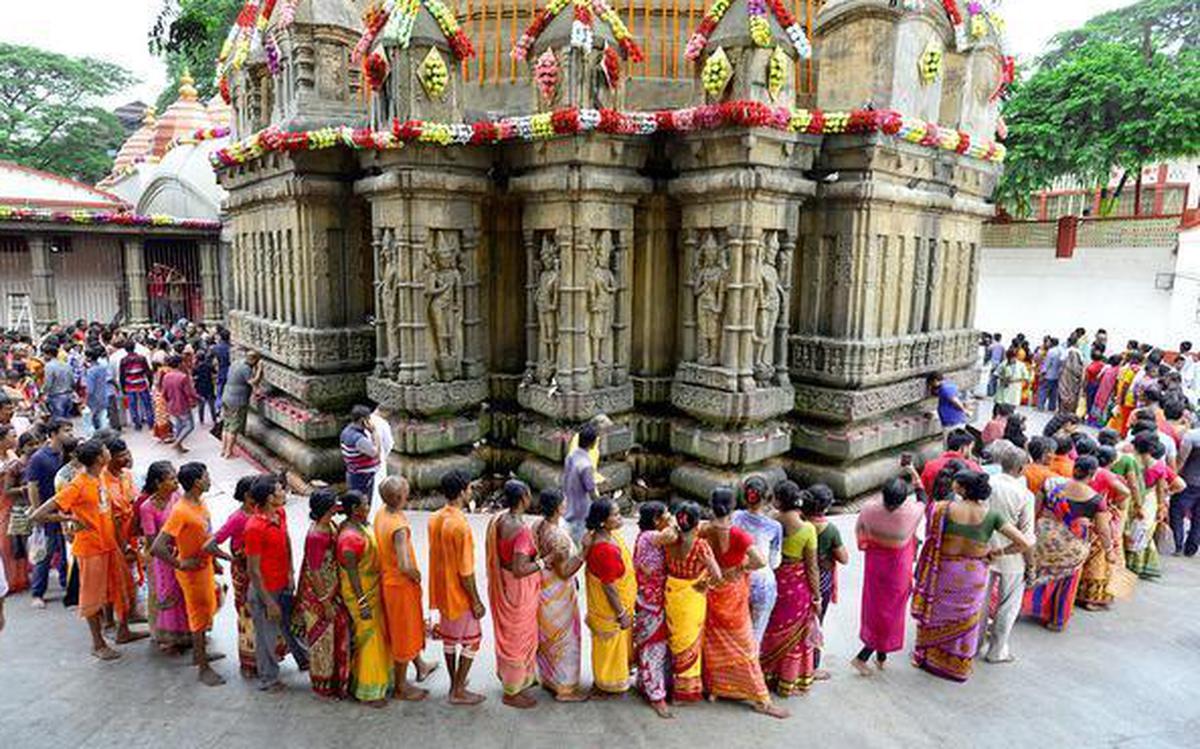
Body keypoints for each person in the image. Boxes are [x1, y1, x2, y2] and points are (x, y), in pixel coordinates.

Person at [30, 440, 149, 659]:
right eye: (106, 452)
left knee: (121, 588)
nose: (109, 454)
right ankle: (98, 644)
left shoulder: (100, 477)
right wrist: (69, 518)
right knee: (92, 598)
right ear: (99, 458)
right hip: (90, 549)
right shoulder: (78, 485)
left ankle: (123, 632)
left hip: (109, 544)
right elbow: (37, 514)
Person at [911, 470, 1030, 682]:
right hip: (973, 574)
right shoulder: (992, 515)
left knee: (938, 613)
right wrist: (997, 553)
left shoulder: (940, 509)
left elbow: (930, 538)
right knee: (966, 618)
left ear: (962, 488)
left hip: (944, 571)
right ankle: (956, 666)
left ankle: (929, 658)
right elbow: (1023, 542)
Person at [701, 488, 787, 718]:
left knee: (714, 642)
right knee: (745, 645)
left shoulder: (704, 530)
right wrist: (739, 569)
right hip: (734, 593)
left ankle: (715, 688)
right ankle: (760, 698)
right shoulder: (739, 535)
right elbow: (760, 561)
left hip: (712, 591)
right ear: (733, 507)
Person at [152, 462, 229, 686]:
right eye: (206, 476)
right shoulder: (181, 511)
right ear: (196, 482)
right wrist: (180, 564)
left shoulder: (200, 502)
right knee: (197, 616)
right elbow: (157, 546)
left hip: (204, 566)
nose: (209, 479)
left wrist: (214, 560)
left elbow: (206, 534)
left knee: (206, 612)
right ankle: (203, 668)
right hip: (192, 573)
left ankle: (200, 653)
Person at [1022, 458, 1114, 630]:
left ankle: (1029, 607)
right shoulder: (1095, 499)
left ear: (1074, 469)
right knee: (1066, 581)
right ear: (1092, 474)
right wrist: (1109, 550)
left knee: (1037, 572)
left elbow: (1035, 510)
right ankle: (1056, 620)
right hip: (1072, 544)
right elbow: (1103, 530)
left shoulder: (1050, 484)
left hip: (1044, 537)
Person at [852, 469, 925, 675]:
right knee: (892, 611)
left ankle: (881, 654)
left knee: (876, 608)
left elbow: (860, 531)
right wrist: (913, 474)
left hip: (875, 562)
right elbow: (923, 497)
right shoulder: (910, 513)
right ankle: (863, 656)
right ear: (903, 499)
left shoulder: (868, 509)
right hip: (898, 566)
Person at [375, 476, 438, 701]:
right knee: (404, 634)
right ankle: (401, 687)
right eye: (405, 492)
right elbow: (403, 564)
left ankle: (420, 665)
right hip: (400, 586)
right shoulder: (398, 527)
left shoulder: (383, 513)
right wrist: (416, 575)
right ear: (398, 497)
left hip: (388, 581)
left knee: (409, 629)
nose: (408, 494)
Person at [245, 475, 309, 691]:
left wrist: (290, 571)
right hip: (266, 590)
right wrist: (269, 602)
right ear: (270, 497)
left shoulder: (280, 514)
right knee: (267, 637)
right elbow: (253, 569)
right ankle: (268, 678)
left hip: (282, 582)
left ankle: (304, 659)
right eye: (280, 489)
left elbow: (286, 541)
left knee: (289, 626)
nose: (284, 492)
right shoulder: (254, 527)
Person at [429, 470, 487, 706]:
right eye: (470, 488)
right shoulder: (460, 526)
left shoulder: (435, 518)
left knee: (450, 639)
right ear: (463, 492)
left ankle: (456, 683)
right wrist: (476, 600)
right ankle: (458, 690)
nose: (471, 491)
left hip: (442, 590)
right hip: (459, 593)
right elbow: (466, 571)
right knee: (472, 640)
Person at [486, 479, 544, 708]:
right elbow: (520, 569)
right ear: (522, 499)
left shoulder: (499, 519)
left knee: (512, 634)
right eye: (529, 495)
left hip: (504, 581)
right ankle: (511, 691)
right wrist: (544, 561)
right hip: (518, 588)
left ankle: (522, 678)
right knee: (517, 638)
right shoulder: (521, 530)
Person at [975, 441, 1035, 663]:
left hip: (982, 550)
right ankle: (997, 651)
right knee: (1008, 605)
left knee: (979, 602)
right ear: (1021, 469)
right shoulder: (1024, 494)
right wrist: (1032, 565)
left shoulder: (986, 484)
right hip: (1011, 555)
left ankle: (974, 645)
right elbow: (1027, 537)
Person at [760, 481, 821, 696]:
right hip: (797, 588)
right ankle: (787, 680)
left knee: (769, 628)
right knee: (794, 636)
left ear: (777, 500)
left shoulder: (769, 521)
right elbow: (812, 567)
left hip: (773, 580)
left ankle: (765, 674)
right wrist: (817, 596)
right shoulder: (808, 529)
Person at [211, 476, 273, 678]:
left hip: (258, 568)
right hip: (245, 571)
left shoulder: (258, 513)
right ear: (248, 496)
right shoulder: (238, 518)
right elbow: (211, 543)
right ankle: (249, 661)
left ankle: (263, 656)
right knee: (247, 614)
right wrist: (231, 558)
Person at [336, 490, 392, 705]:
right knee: (369, 638)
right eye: (365, 505)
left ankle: (381, 680)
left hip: (374, 587)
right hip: (361, 593)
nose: (369, 507)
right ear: (354, 510)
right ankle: (367, 691)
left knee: (378, 635)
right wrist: (362, 602)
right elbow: (352, 576)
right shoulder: (349, 538)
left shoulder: (362, 526)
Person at [294, 488, 351, 699]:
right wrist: (325, 602)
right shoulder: (317, 535)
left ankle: (336, 679)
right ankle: (324, 684)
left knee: (333, 637)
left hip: (331, 588)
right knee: (322, 641)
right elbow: (315, 570)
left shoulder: (329, 525)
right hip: (320, 594)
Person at [532, 488, 588, 702]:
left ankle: (548, 678)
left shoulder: (538, 525)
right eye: (564, 503)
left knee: (547, 638)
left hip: (543, 589)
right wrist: (583, 553)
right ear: (558, 508)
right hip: (559, 594)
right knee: (565, 640)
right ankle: (564, 689)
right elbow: (564, 571)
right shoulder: (558, 537)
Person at [663, 500, 721, 702]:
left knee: (675, 639)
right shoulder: (700, 546)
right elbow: (717, 575)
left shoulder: (670, 539)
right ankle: (685, 691)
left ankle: (670, 684)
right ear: (697, 525)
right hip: (691, 596)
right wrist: (705, 584)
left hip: (672, 593)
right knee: (689, 642)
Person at [583, 497, 637, 697]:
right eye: (615, 514)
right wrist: (621, 612)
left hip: (616, 606)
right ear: (603, 521)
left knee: (614, 648)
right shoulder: (604, 549)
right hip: (611, 611)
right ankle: (607, 685)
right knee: (609, 650)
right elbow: (609, 586)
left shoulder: (610, 537)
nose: (619, 516)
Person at [137, 462, 191, 654]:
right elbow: (152, 542)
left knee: (184, 595)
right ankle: (169, 639)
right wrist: (173, 557)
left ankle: (186, 634)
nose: (176, 482)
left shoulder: (176, 497)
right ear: (159, 483)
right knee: (168, 596)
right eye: (172, 479)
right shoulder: (147, 507)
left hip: (181, 551)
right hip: (163, 558)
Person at [632, 501, 673, 718]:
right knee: (654, 649)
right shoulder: (649, 537)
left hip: (649, 600)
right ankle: (656, 695)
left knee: (652, 649)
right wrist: (676, 521)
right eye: (665, 514)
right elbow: (672, 535)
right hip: (652, 603)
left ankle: (645, 684)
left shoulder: (643, 536)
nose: (669, 517)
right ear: (656, 519)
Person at [25, 419, 73, 608]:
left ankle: (66, 583)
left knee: (65, 550)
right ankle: (37, 593)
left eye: (71, 430)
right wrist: (38, 514)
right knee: (46, 553)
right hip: (48, 512)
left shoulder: (66, 454)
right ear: (53, 434)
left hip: (64, 510)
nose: (70, 433)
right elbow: (32, 486)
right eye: (66, 430)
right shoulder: (39, 458)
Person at [732, 476, 782, 645]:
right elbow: (774, 562)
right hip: (763, 581)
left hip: (737, 577)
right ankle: (752, 668)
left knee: (736, 629)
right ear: (767, 497)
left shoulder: (735, 517)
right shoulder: (774, 527)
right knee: (756, 632)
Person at [805, 484, 847, 677]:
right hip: (820, 581)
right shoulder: (829, 530)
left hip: (798, 578)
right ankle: (812, 666)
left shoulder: (799, 523)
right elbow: (844, 558)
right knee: (816, 621)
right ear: (826, 506)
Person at [563, 422, 600, 545]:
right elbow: (591, 491)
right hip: (581, 511)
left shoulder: (571, 456)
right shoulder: (585, 465)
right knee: (579, 547)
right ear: (593, 443)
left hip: (569, 506)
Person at [220, 350, 261, 458]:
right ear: (253, 360)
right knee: (233, 427)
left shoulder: (236, 363)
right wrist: (260, 370)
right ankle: (229, 452)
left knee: (226, 425)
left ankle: (223, 450)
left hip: (227, 396)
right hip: (236, 400)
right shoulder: (246, 368)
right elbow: (253, 382)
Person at [1171, 420, 1200, 556]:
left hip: (1189, 481)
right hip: (1191, 482)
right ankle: (1191, 548)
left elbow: (1181, 460)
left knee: (1177, 511)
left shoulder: (1192, 436)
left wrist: (1173, 479)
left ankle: (1178, 543)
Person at [919, 429, 980, 494]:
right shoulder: (972, 467)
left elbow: (923, 490)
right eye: (970, 448)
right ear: (963, 448)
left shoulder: (930, 465)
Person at [339, 405, 380, 499]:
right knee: (362, 503)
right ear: (363, 420)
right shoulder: (358, 439)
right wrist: (374, 433)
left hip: (353, 473)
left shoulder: (346, 431)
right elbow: (375, 452)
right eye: (368, 419)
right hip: (363, 477)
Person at [160, 355, 198, 453]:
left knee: (179, 425)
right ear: (180, 364)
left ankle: (179, 447)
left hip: (171, 404)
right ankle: (177, 443)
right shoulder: (183, 377)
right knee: (189, 426)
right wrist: (197, 398)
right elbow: (189, 393)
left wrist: (168, 402)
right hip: (182, 404)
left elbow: (164, 393)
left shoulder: (166, 376)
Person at [118, 340, 154, 431]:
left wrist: (123, 388)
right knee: (147, 404)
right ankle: (150, 422)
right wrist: (150, 382)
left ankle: (137, 424)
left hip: (130, 385)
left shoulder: (123, 360)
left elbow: (122, 375)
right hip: (142, 383)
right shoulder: (141, 358)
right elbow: (148, 372)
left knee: (132, 405)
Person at [369, 406, 394, 508]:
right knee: (378, 489)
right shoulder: (383, 423)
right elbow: (389, 443)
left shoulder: (366, 419)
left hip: (362, 462)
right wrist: (383, 455)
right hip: (378, 460)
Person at [42, 344, 75, 419]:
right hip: (68, 395)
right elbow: (72, 381)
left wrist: (43, 392)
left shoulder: (49, 366)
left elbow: (48, 383)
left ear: (49, 354)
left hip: (56, 396)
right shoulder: (66, 365)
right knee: (67, 419)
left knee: (58, 420)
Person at [1058, 334, 1086, 415]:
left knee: (1064, 394)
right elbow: (1082, 366)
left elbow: (1061, 363)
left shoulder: (1066, 351)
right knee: (1073, 395)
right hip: (1075, 378)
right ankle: (1070, 413)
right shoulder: (1079, 353)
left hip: (1065, 377)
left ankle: (1062, 412)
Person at [1039, 338, 1064, 411]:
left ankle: (1040, 406)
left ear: (1052, 343)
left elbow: (1047, 363)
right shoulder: (1061, 351)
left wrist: (1042, 373)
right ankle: (1052, 407)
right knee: (1054, 393)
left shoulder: (1051, 351)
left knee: (1043, 390)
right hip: (1057, 375)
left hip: (1049, 375)